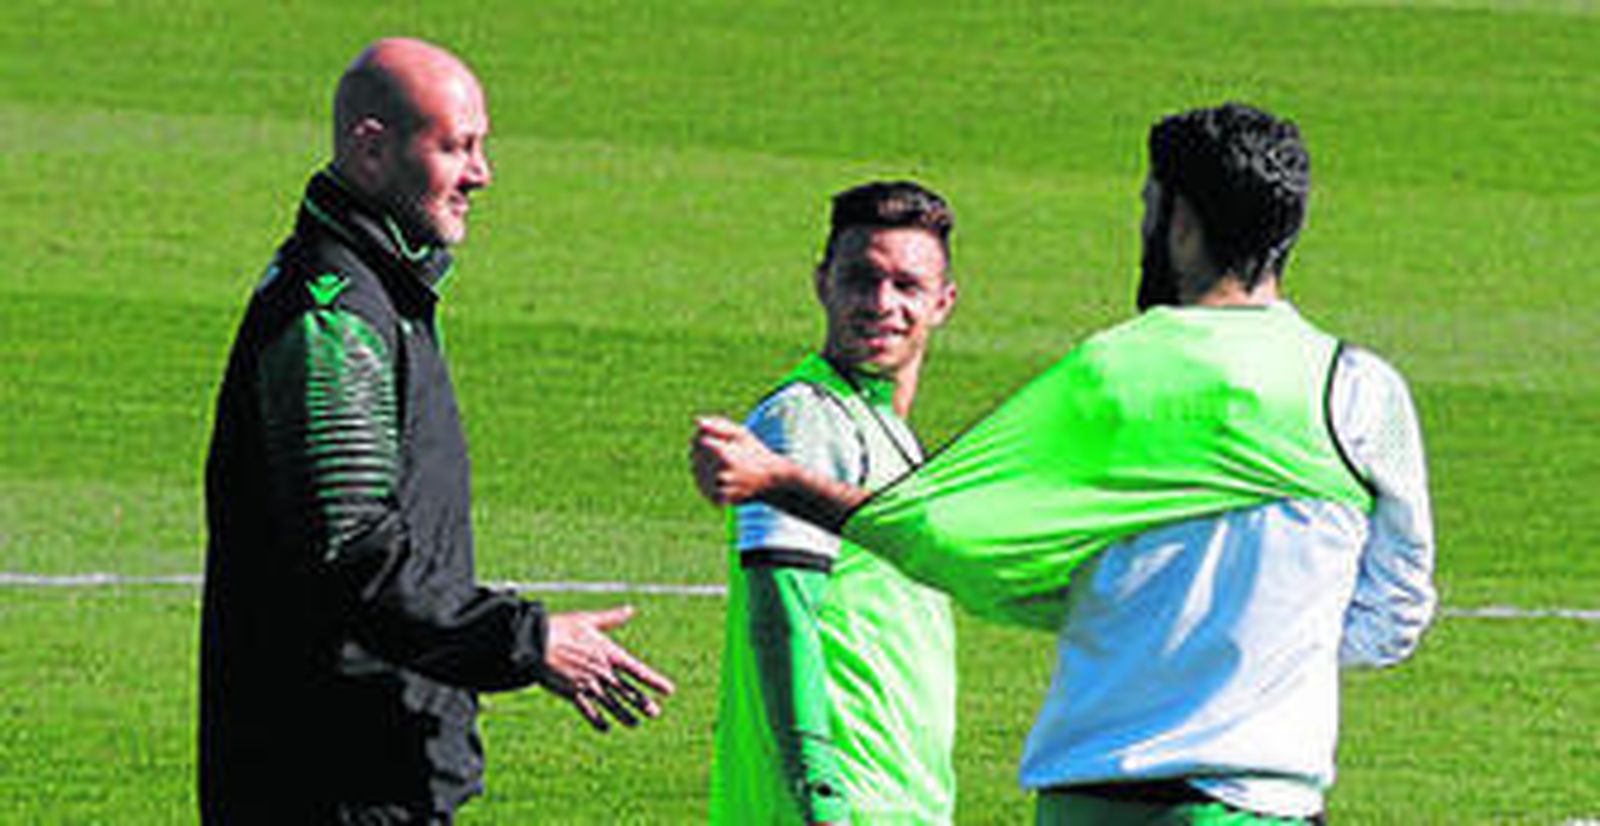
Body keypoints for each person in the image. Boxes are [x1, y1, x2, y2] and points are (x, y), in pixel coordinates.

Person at [692, 103, 1436, 824]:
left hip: (1087, 799)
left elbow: (946, 538)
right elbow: (1395, 615)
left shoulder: (1110, 372)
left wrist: (781, 482)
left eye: (1150, 204)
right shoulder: (1360, 391)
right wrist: (1262, 650)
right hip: (1258, 799)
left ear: (1179, 221)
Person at [200, 38, 673, 824]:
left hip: (366, 762)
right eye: (456, 147)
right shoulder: (335, 318)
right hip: (331, 779)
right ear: (373, 147)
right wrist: (525, 642)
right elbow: (353, 552)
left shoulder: (380, 291)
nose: (480, 174)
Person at [706, 182, 961, 825]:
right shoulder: (806, 420)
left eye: (906, 286)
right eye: (860, 279)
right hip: (838, 804)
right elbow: (780, 615)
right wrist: (817, 787)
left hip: (895, 799)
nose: (881, 304)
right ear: (822, 283)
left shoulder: (886, 431)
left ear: (943, 303)